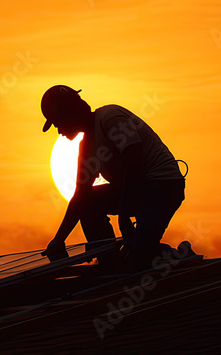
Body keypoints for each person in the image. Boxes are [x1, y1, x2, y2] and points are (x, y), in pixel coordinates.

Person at [39, 85, 186, 270]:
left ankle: (176, 255)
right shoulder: (87, 147)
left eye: (58, 123)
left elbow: (134, 164)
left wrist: (123, 216)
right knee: (88, 203)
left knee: (141, 257)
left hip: (162, 186)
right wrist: (59, 239)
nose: (59, 131)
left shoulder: (110, 117)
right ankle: (109, 260)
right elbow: (81, 195)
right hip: (136, 190)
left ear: (71, 112)